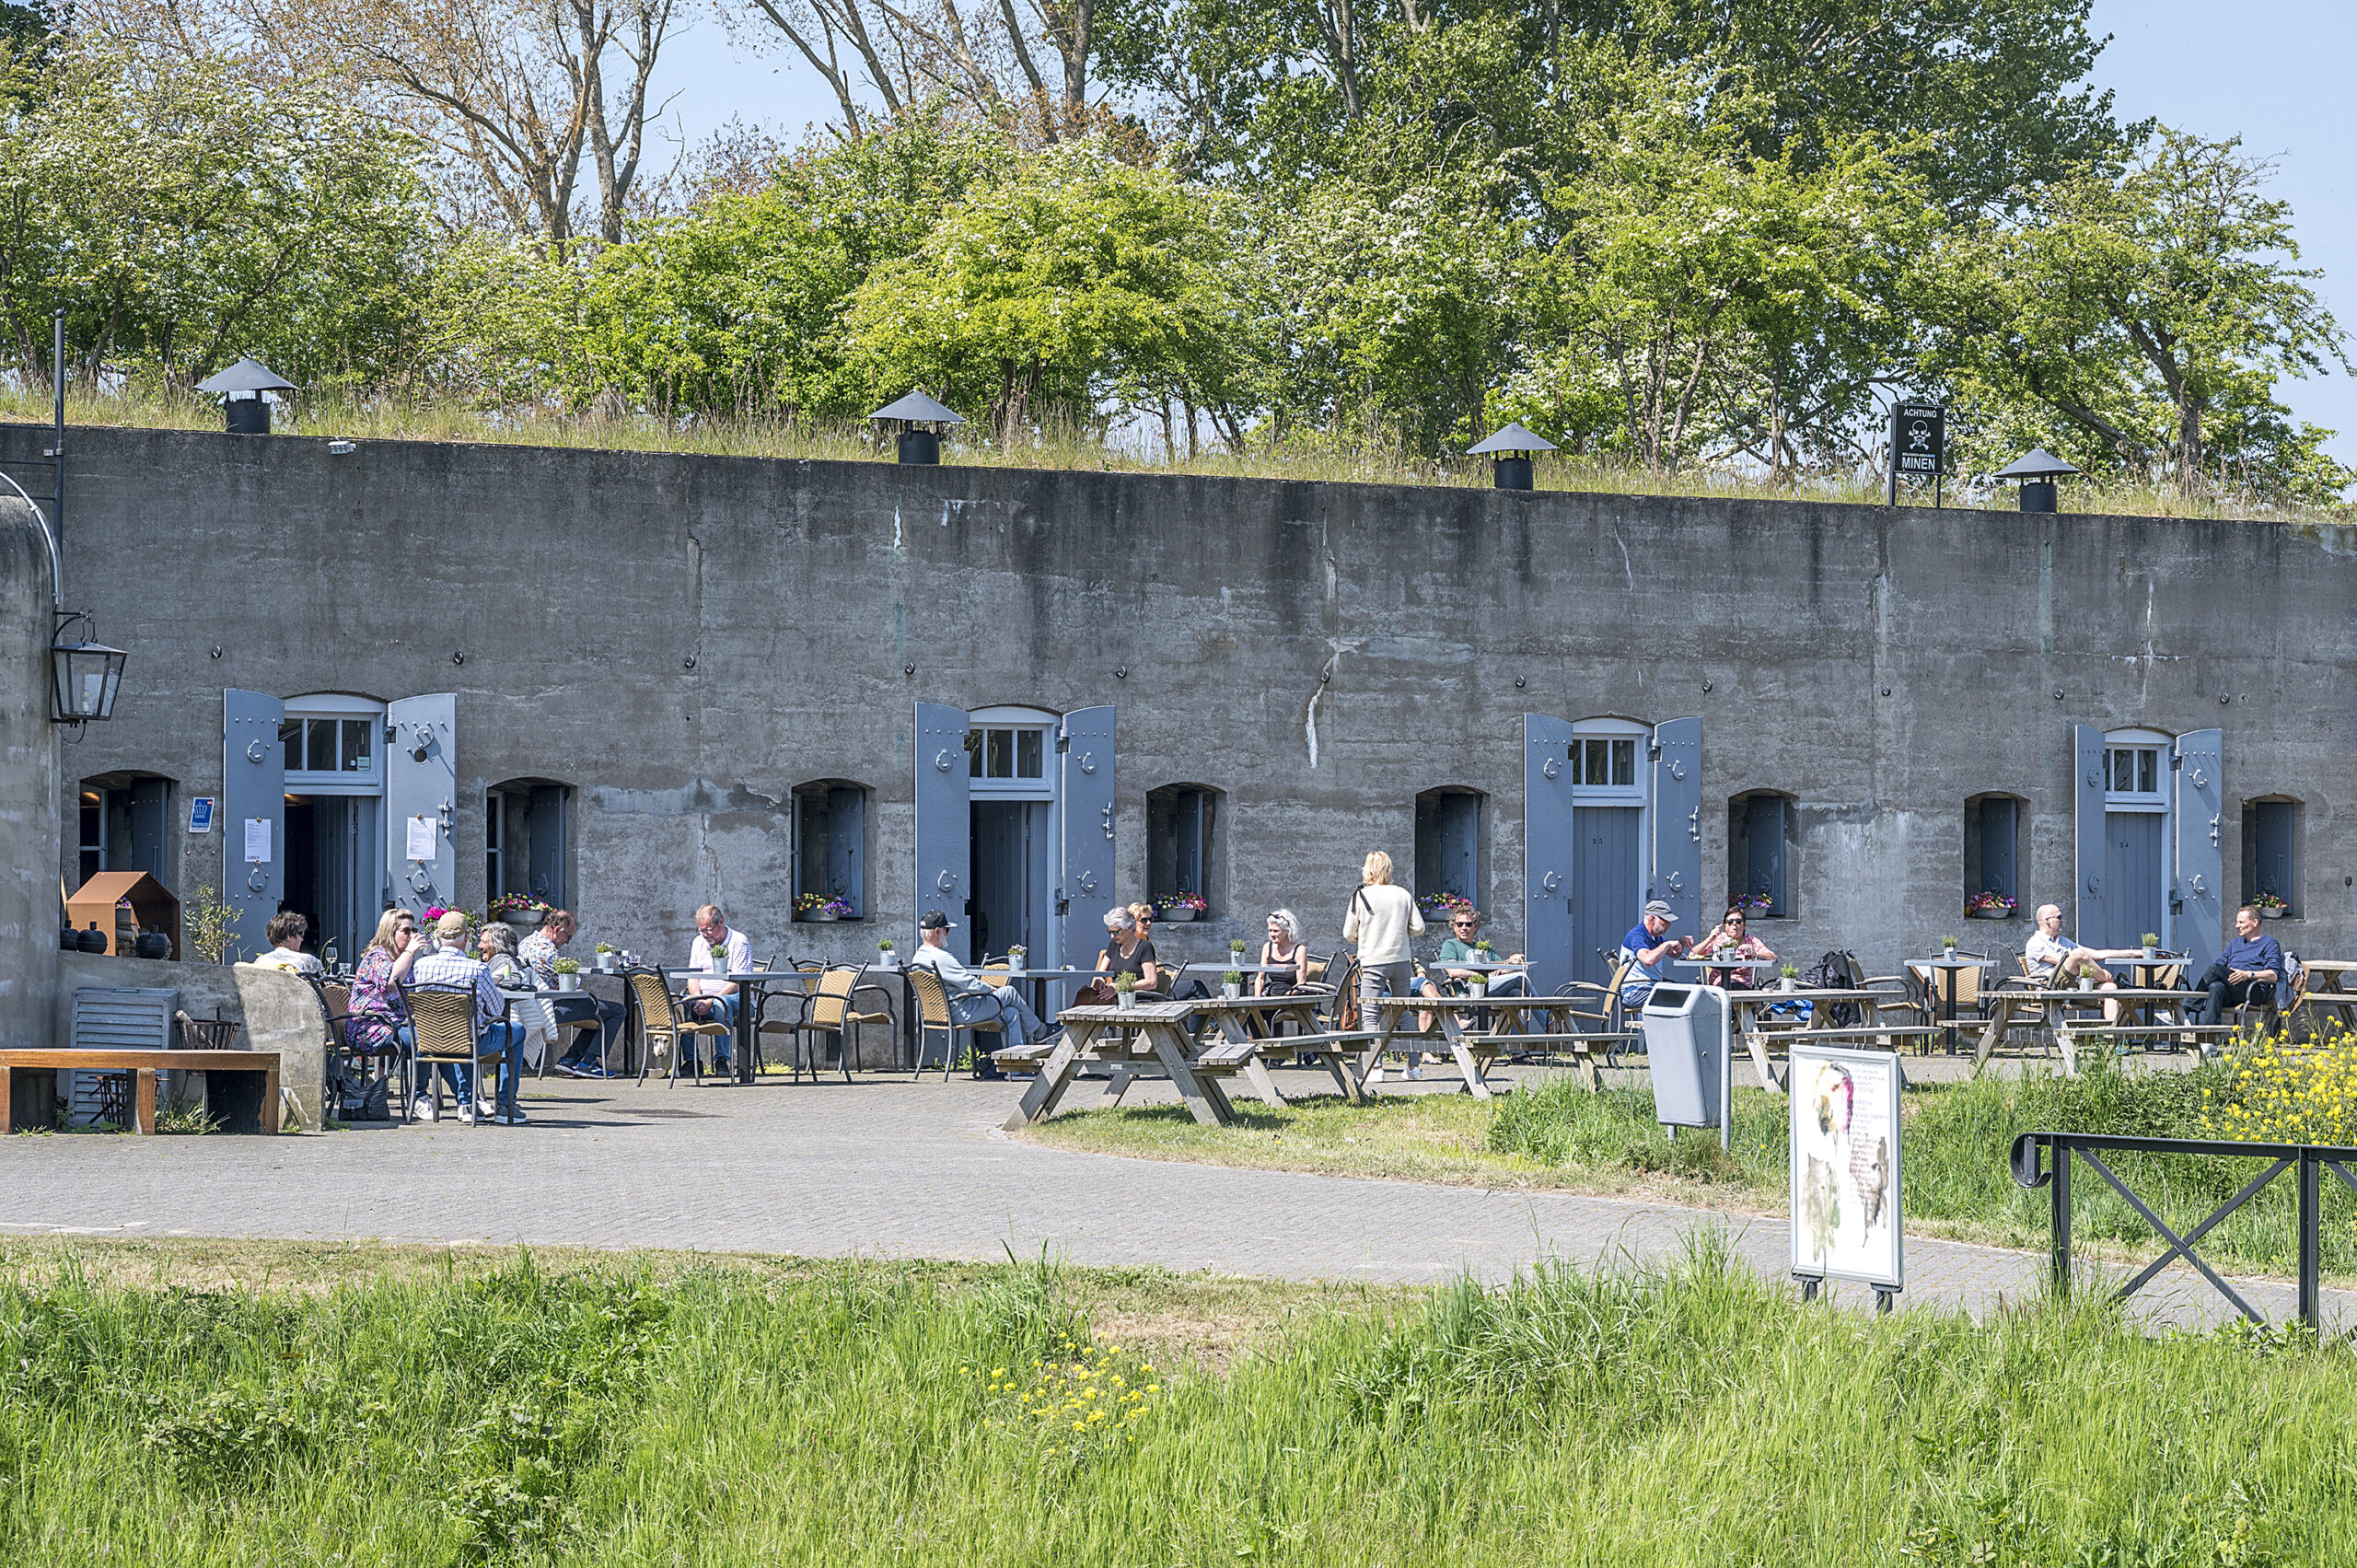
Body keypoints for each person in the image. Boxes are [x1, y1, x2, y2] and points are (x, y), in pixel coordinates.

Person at [411, 911, 528, 1124]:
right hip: (472, 1041)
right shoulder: (477, 969)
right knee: (516, 1030)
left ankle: (467, 1103)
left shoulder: (420, 966)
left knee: (466, 1031)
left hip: (433, 1041)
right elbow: (496, 1009)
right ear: (466, 939)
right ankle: (505, 1104)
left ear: (437, 939)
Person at [908, 910, 1053, 1072]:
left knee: (1011, 1013)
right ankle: (1041, 1032)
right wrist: (987, 988)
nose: (948, 935)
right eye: (947, 930)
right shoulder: (942, 958)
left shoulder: (917, 958)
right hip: (961, 1011)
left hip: (940, 1013)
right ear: (937, 931)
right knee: (1009, 992)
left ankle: (1016, 1068)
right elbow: (969, 983)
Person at [521, 909, 626, 1078]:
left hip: (534, 1007)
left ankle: (570, 1059)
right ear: (557, 930)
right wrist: (573, 981)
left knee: (597, 1010)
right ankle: (588, 1062)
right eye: (568, 937)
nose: (568, 942)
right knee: (616, 1011)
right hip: (552, 1008)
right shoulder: (546, 951)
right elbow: (571, 982)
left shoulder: (526, 942)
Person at [1342, 851, 1423, 1033]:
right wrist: (1399, 934)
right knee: (1402, 1010)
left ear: (1368, 869)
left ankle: (1375, 1062)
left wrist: (1365, 938)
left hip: (1374, 961)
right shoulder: (1403, 894)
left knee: (1370, 1012)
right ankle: (1413, 1061)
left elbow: (1348, 933)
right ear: (1389, 870)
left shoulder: (1361, 896)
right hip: (1400, 960)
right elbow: (1419, 927)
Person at [346, 908, 424, 1085]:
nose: (411, 936)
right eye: (406, 931)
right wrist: (410, 952)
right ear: (390, 932)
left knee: (439, 1037)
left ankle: (465, 1099)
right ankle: (419, 1096)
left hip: (395, 1025)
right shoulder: (377, 956)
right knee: (427, 1041)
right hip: (369, 1028)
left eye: (414, 930)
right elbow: (391, 982)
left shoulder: (404, 961)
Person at [2023, 903, 2134, 1023]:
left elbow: (2096, 955)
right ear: (2047, 920)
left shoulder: (2063, 941)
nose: (2062, 921)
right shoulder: (2035, 942)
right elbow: (2062, 960)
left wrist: (2133, 953)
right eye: (2059, 917)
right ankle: (2106, 978)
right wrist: (2102, 974)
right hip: (2049, 986)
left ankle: (2111, 1036)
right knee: (2077, 955)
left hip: (2073, 986)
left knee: (2110, 988)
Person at [681, 903, 751, 1073]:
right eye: (701, 930)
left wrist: (712, 1000)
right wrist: (698, 998)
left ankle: (722, 1060)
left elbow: (738, 983)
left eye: (708, 930)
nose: (705, 935)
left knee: (722, 1003)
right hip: (704, 999)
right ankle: (692, 1062)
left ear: (721, 922)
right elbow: (692, 977)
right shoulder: (698, 942)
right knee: (683, 1004)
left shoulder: (739, 942)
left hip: (737, 1000)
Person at [2195, 905, 2285, 1028]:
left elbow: (2273, 975)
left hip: (2253, 990)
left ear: (2254, 922)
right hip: (2232, 990)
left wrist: (2248, 974)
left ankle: (2185, 1008)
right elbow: (2219, 967)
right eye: (2237, 922)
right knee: (2216, 986)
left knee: (2214, 969)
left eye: (2241, 922)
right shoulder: (2234, 944)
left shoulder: (2270, 943)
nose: (2237, 926)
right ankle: (2209, 1039)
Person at [1620, 900, 1689, 1008]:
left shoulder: (1656, 938)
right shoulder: (1637, 936)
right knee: (1678, 999)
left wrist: (1681, 943)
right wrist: (1666, 945)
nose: (1670, 925)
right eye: (1666, 921)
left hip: (1650, 987)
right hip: (1635, 992)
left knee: (1687, 994)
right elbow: (1648, 960)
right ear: (1652, 918)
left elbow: (1675, 954)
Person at [1082, 905, 1161, 1001]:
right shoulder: (1114, 945)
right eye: (1109, 932)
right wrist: (1099, 981)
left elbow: (1152, 982)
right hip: (1113, 999)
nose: (1112, 936)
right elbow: (1099, 973)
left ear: (1129, 928)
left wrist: (1119, 987)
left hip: (1136, 1001)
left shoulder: (1145, 947)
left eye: (1115, 932)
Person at [1690, 904, 1775, 989]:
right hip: (1717, 985)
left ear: (1744, 925)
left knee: (1735, 987)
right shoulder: (1718, 939)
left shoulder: (1750, 941)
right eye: (1730, 922)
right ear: (1725, 926)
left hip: (1741, 984)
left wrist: (1755, 953)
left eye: (1738, 921)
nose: (1734, 924)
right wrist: (1709, 939)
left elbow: (1773, 957)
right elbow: (1692, 954)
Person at [247, 911, 325, 977]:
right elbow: (327, 989)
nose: (302, 939)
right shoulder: (309, 961)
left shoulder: (260, 961)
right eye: (301, 934)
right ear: (289, 936)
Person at [1253, 909, 1311, 997]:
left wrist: (1284, 998)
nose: (1272, 934)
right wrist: (1257, 999)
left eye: (1276, 931)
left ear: (1287, 931)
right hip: (1270, 996)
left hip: (1291, 997)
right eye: (1270, 930)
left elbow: (1301, 983)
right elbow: (1260, 978)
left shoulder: (1299, 950)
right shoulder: (1267, 947)